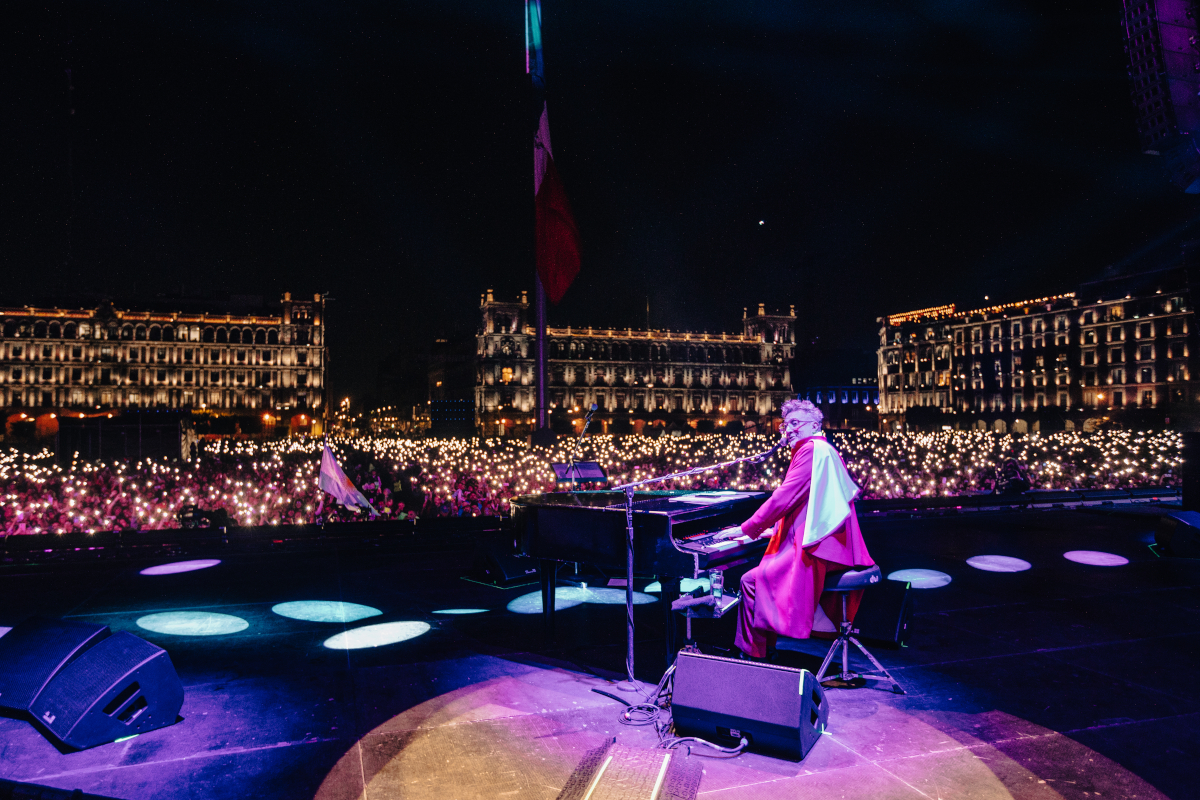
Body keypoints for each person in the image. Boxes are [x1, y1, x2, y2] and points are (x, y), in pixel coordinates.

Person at [726, 398, 875, 659]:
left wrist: (748, 528)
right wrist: (775, 530)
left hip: (820, 549)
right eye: (786, 424)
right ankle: (762, 652)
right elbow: (806, 504)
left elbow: (784, 497)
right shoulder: (817, 449)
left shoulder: (812, 450)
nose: (789, 429)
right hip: (827, 543)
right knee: (757, 578)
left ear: (815, 425)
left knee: (752, 581)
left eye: (796, 423)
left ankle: (753, 656)